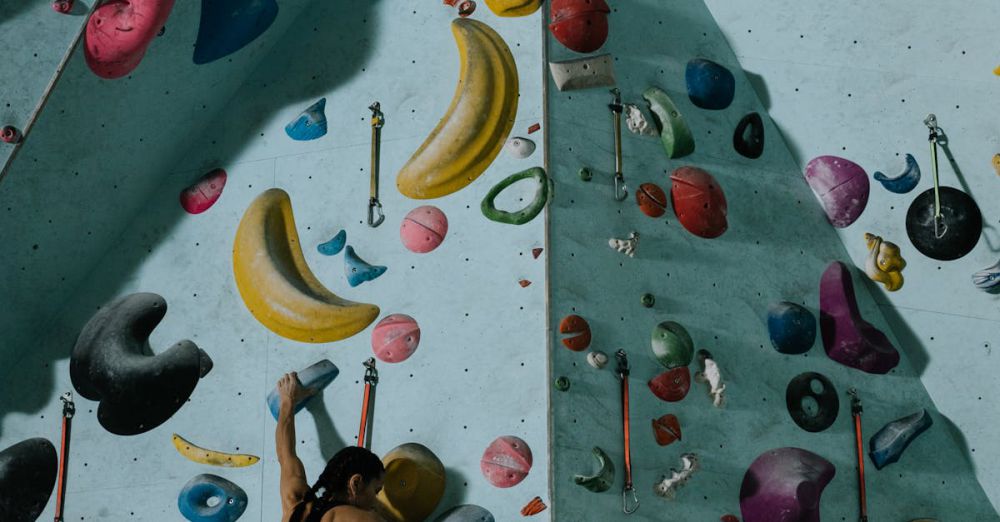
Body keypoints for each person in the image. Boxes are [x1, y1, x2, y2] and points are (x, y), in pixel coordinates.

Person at [276, 372, 387, 522]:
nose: (376, 502)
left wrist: (287, 401)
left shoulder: (295, 507)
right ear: (356, 483)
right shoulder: (365, 519)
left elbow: (285, 454)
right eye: (376, 491)